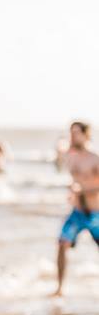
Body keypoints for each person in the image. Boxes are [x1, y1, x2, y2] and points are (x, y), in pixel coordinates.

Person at [54, 120, 99, 296]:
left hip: (96, 213)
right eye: (71, 132)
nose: (72, 136)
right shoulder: (71, 156)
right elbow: (59, 164)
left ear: (86, 135)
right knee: (62, 243)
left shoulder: (95, 158)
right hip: (77, 212)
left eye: (76, 133)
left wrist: (84, 190)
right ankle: (60, 288)